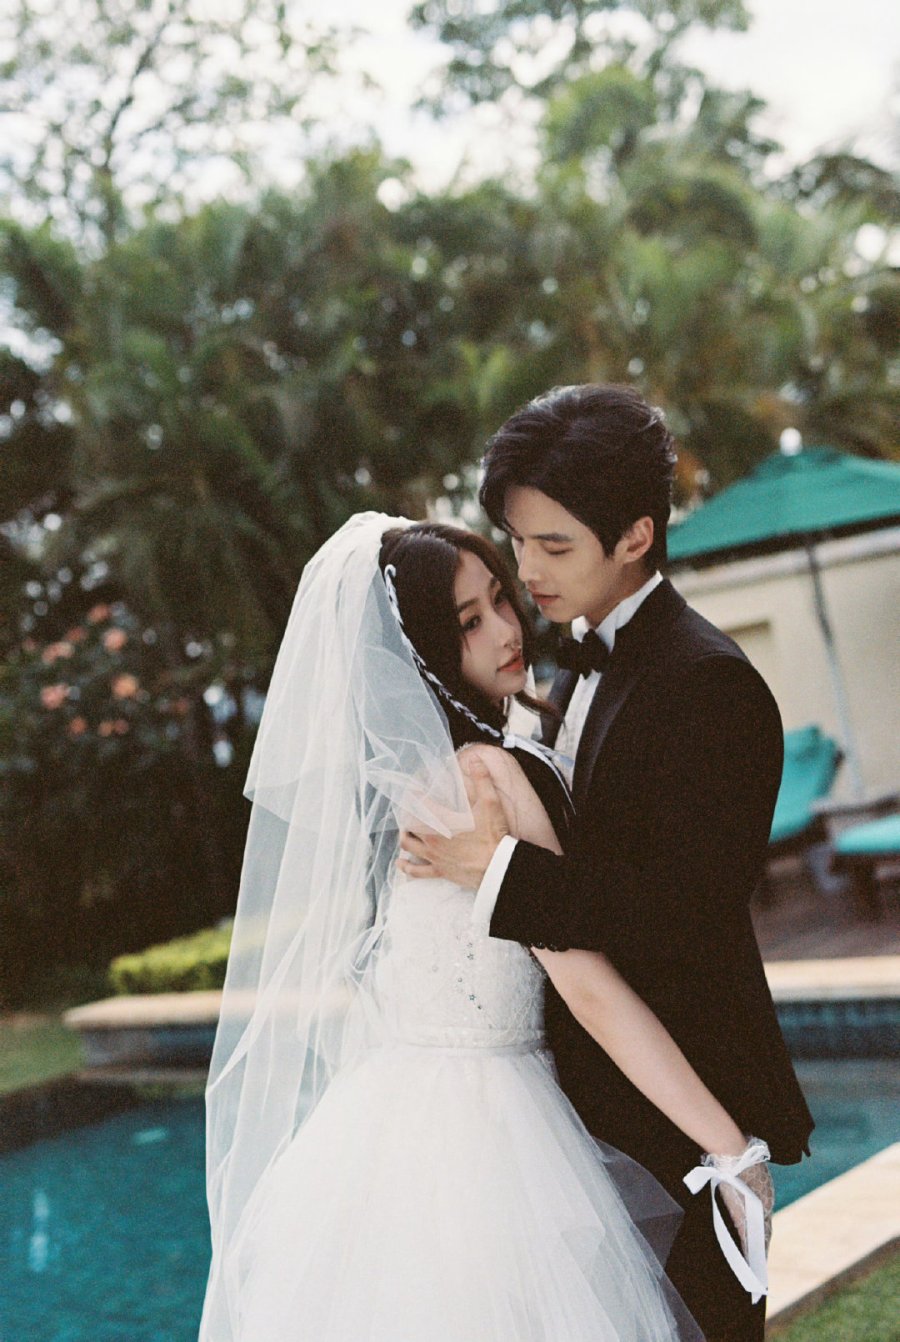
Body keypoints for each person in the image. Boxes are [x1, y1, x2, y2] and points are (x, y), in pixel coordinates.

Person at [199, 511, 767, 1341]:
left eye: (502, 600)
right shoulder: (485, 776)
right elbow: (587, 985)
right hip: (491, 1136)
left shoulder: (422, 776)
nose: (508, 630)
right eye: (470, 622)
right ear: (425, 651)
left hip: (393, 1120)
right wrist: (729, 1149)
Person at [398, 385, 815, 1342]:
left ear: (635, 536)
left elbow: (683, 912)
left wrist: (499, 871)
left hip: (687, 1111)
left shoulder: (709, 684)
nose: (527, 573)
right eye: (518, 542)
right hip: (577, 1118)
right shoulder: (565, 668)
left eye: (554, 547)